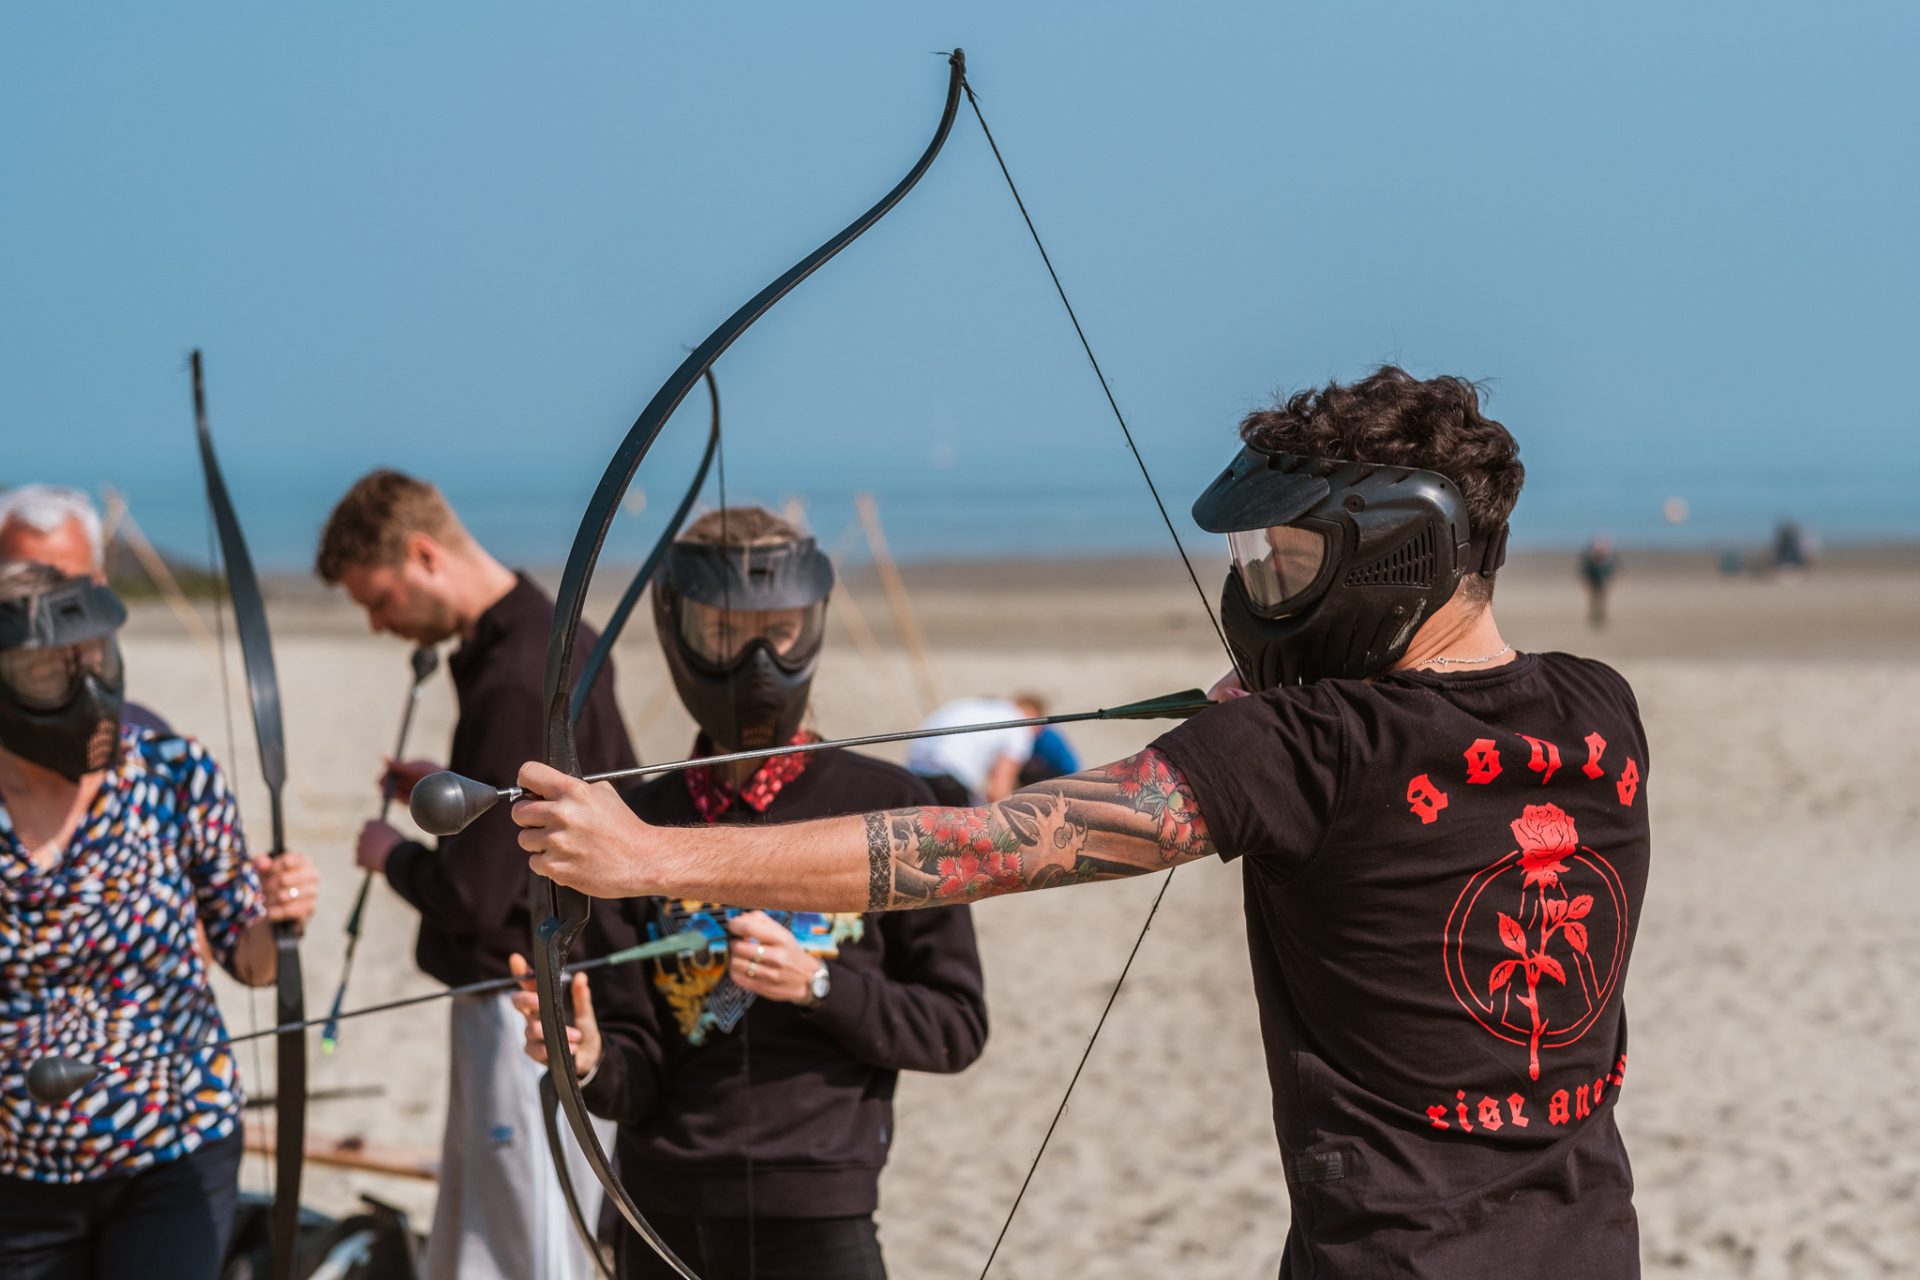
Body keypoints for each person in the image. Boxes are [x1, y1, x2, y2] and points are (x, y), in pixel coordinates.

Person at [510, 368, 1652, 1278]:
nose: (1260, 591)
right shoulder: (1604, 709)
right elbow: (1437, 751)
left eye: (1288, 558)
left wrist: (648, 853)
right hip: (1592, 1244)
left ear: (1393, 549)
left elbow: (974, 847)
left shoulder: (1302, 746)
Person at [511, 507, 987, 1280]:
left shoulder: (899, 807)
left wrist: (820, 985)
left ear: (814, 623)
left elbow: (956, 1027)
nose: (760, 659)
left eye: (783, 629)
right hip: (660, 1208)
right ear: (677, 629)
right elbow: (635, 1070)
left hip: (821, 1209)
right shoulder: (635, 831)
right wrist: (590, 1060)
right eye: (726, 633)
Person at [314, 469, 636, 1280]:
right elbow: (524, 811)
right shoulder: (539, 637)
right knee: (500, 1231)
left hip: (528, 1004)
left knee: (529, 1246)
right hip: (541, 994)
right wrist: (453, 783)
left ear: (424, 555)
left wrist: (392, 857)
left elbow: (472, 894)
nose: (379, 624)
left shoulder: (513, 673)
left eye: (378, 599)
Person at [0, 562, 320, 1279]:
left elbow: (252, 961)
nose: (88, 690)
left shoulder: (176, 775)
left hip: (177, 1148)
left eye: (96, 660)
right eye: (49, 673)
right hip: (17, 1176)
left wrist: (282, 918)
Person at [0, 484, 171, 733]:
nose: (49, 606)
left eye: (69, 587)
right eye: (28, 586)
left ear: (99, 583)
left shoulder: (158, 750)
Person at [903, 695, 1035, 805]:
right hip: (950, 777)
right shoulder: (1021, 727)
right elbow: (998, 790)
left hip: (913, 773)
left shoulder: (972, 705)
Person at [1012, 692, 1079, 786]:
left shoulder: (1049, 739)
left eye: (1028, 719)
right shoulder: (1014, 740)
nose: (1023, 724)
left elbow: (1071, 770)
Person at [1577, 535, 1618, 629]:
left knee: (1602, 601)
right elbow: (1585, 572)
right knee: (1594, 601)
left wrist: (1610, 582)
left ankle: (1601, 617)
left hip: (1603, 585)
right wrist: (1586, 583)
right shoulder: (1590, 560)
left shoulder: (1607, 560)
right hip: (1593, 584)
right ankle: (1594, 618)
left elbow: (1611, 573)